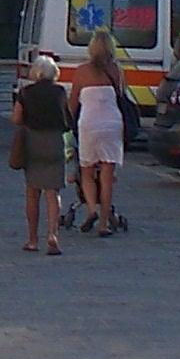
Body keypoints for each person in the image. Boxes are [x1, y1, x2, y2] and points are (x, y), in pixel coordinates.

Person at [72, 28, 131, 236]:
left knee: (87, 172)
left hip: (89, 124)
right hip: (112, 124)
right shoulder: (116, 71)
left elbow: (72, 104)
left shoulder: (81, 71)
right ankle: (104, 223)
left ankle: (91, 209)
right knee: (107, 176)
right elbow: (121, 96)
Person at [11, 53, 70, 254]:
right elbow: (67, 119)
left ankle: (33, 239)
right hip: (54, 142)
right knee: (53, 193)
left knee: (32, 192)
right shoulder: (60, 92)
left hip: (32, 142)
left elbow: (17, 119)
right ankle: (53, 234)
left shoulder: (25, 92)